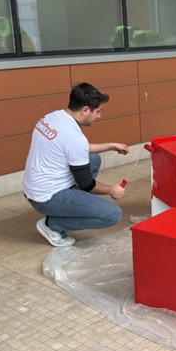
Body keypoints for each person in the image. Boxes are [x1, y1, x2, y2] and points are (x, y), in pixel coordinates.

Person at [23, 83, 130, 247]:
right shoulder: (74, 138)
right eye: (98, 111)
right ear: (86, 110)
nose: (99, 116)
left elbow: (72, 147)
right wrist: (111, 190)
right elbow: (87, 184)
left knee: (93, 159)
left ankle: (72, 203)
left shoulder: (51, 118)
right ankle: (52, 225)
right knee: (112, 214)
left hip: (34, 187)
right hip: (46, 197)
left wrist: (110, 145)